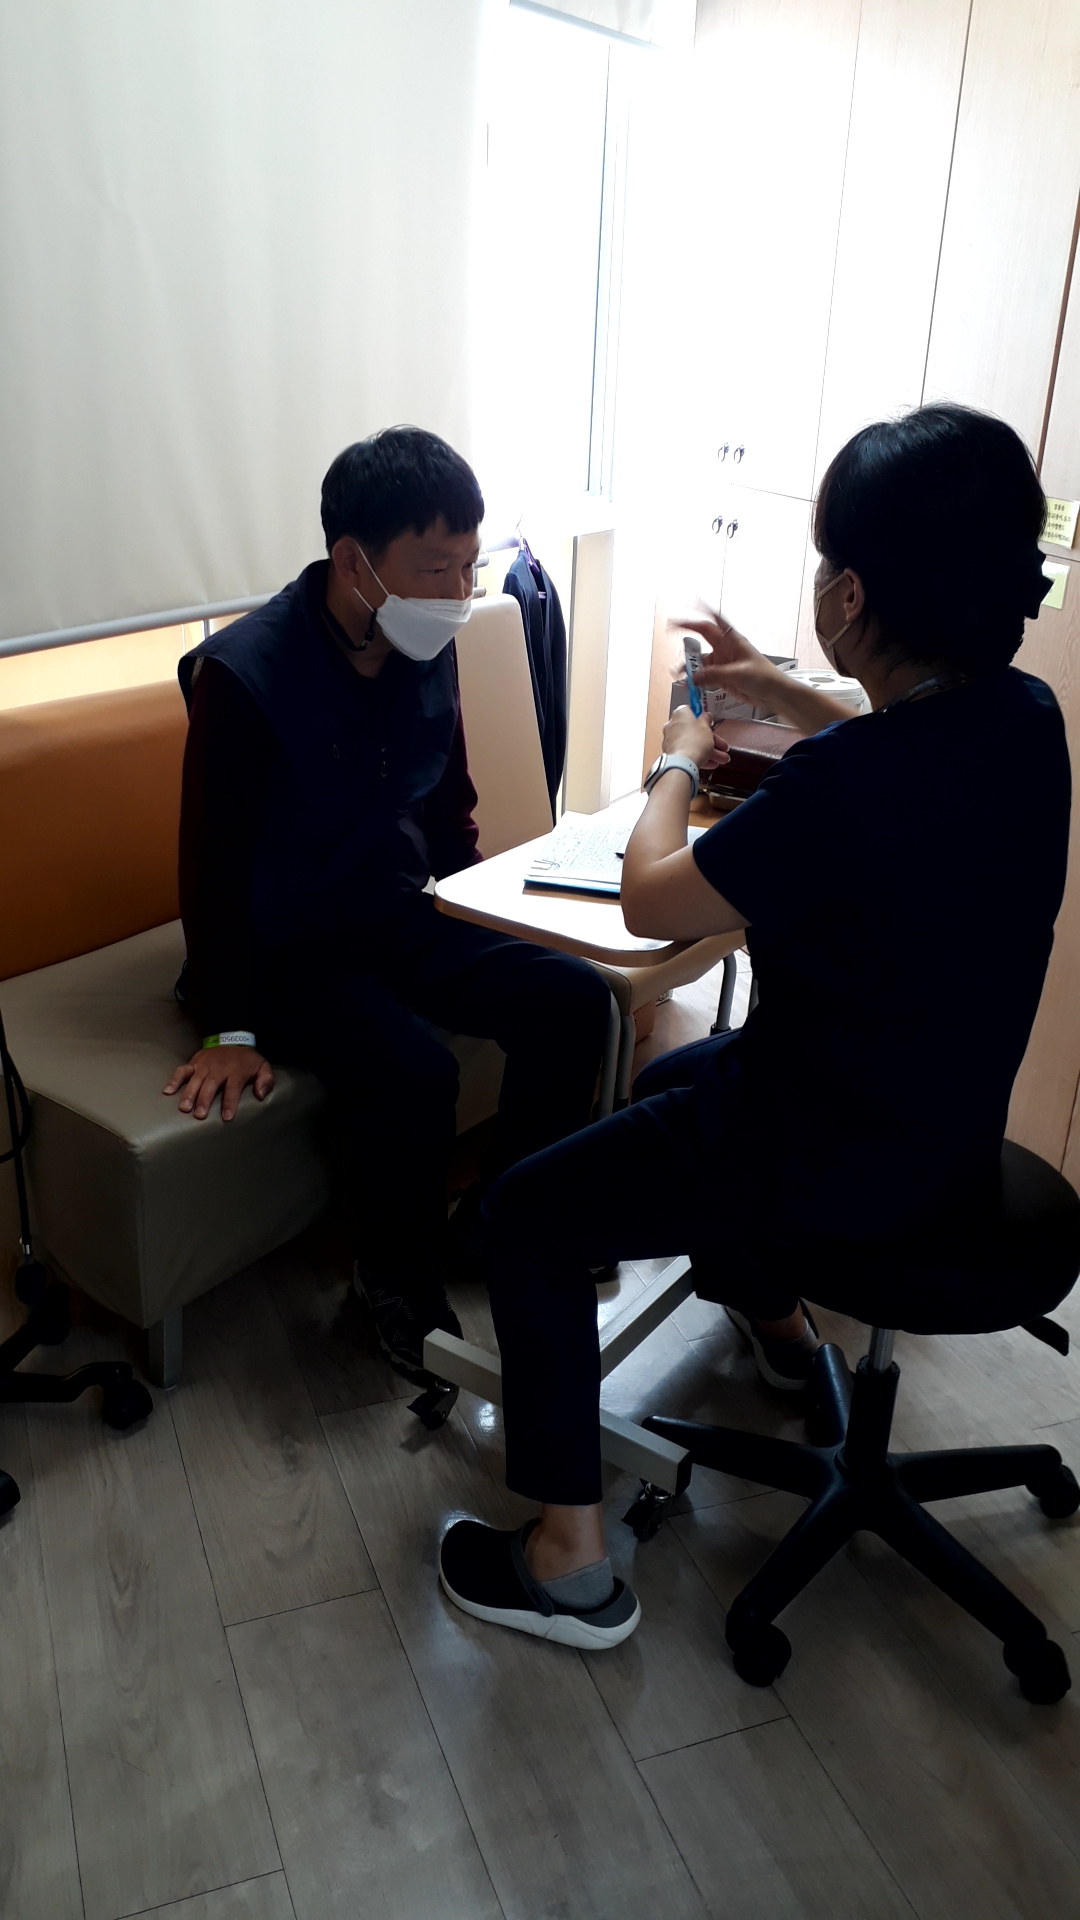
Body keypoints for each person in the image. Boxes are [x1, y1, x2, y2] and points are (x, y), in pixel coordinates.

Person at [438, 403, 1068, 1649]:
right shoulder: (1026, 719)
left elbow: (649, 899)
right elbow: (900, 755)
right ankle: (783, 1337)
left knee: (528, 1218)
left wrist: (678, 755)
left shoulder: (840, 788)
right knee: (672, 1081)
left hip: (823, 1152)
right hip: (936, 1130)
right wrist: (773, 686)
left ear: (849, 592)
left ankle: (569, 1565)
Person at [164, 426, 611, 1386]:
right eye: (434, 567)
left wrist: (489, 915)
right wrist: (227, 1027)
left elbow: (447, 801)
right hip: (286, 950)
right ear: (353, 563)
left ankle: (505, 1222)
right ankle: (395, 1283)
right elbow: (210, 868)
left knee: (574, 998)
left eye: (469, 564)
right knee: (412, 1071)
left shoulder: (421, 639)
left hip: (396, 911)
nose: (459, 591)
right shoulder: (245, 676)